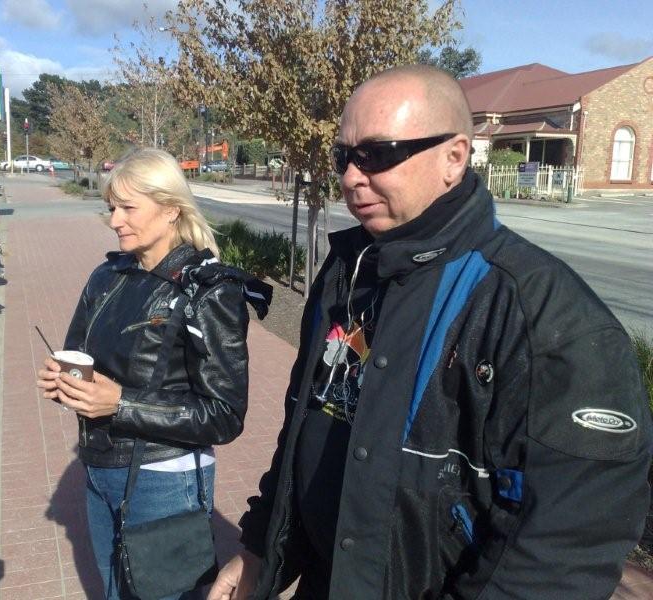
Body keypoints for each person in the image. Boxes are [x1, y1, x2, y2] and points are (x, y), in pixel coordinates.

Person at [209, 65, 652, 600]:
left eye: (378, 154)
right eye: (343, 156)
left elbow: (565, 546)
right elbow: (305, 428)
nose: (351, 177)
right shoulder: (346, 274)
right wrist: (260, 549)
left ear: (454, 157)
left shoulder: (544, 316)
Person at [36, 148, 269, 600]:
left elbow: (224, 415)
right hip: (99, 467)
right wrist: (65, 382)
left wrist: (120, 404)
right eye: (111, 208)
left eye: (128, 208)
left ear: (170, 209)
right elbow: (79, 355)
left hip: (164, 478)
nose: (115, 220)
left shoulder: (208, 290)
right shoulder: (108, 276)